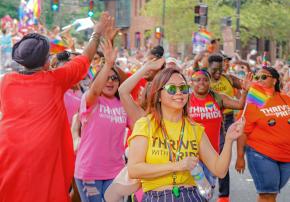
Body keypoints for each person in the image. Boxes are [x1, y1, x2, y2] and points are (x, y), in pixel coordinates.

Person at [0, 12, 112, 202]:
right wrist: (96, 33)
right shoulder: (54, 80)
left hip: (8, 152)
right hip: (43, 157)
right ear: (46, 61)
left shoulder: (6, 82)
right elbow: (85, 58)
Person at [127, 68, 244, 201]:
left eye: (183, 88)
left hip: (191, 196)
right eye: (172, 89)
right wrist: (177, 166)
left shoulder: (195, 128)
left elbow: (219, 170)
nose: (179, 93)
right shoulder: (145, 124)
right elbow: (134, 169)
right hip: (157, 197)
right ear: (158, 95)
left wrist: (229, 139)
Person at [74, 39, 132, 202]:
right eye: (106, 77)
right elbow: (94, 90)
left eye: (114, 78)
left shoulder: (123, 105)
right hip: (89, 171)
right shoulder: (91, 100)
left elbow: (139, 124)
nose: (110, 81)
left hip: (116, 172)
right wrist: (108, 64)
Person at [188, 69, 251, 191]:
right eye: (197, 80)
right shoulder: (185, 100)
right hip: (190, 156)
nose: (202, 83)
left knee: (207, 192)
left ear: (210, 83)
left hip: (212, 155)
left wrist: (245, 91)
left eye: (206, 80)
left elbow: (239, 105)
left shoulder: (218, 98)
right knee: (192, 192)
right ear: (191, 83)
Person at [236, 67, 290, 202]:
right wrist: (240, 157)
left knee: (272, 193)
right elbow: (243, 131)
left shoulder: (285, 99)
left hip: (286, 156)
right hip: (261, 154)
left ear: (275, 80)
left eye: (264, 77)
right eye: (257, 77)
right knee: (267, 194)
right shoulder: (255, 101)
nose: (259, 80)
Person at [207, 54, 244, 202]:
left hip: (227, 119)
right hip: (207, 119)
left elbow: (246, 86)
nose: (218, 73)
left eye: (220, 69)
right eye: (215, 70)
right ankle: (204, 186)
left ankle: (223, 196)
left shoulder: (229, 79)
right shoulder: (202, 79)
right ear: (208, 66)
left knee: (223, 154)